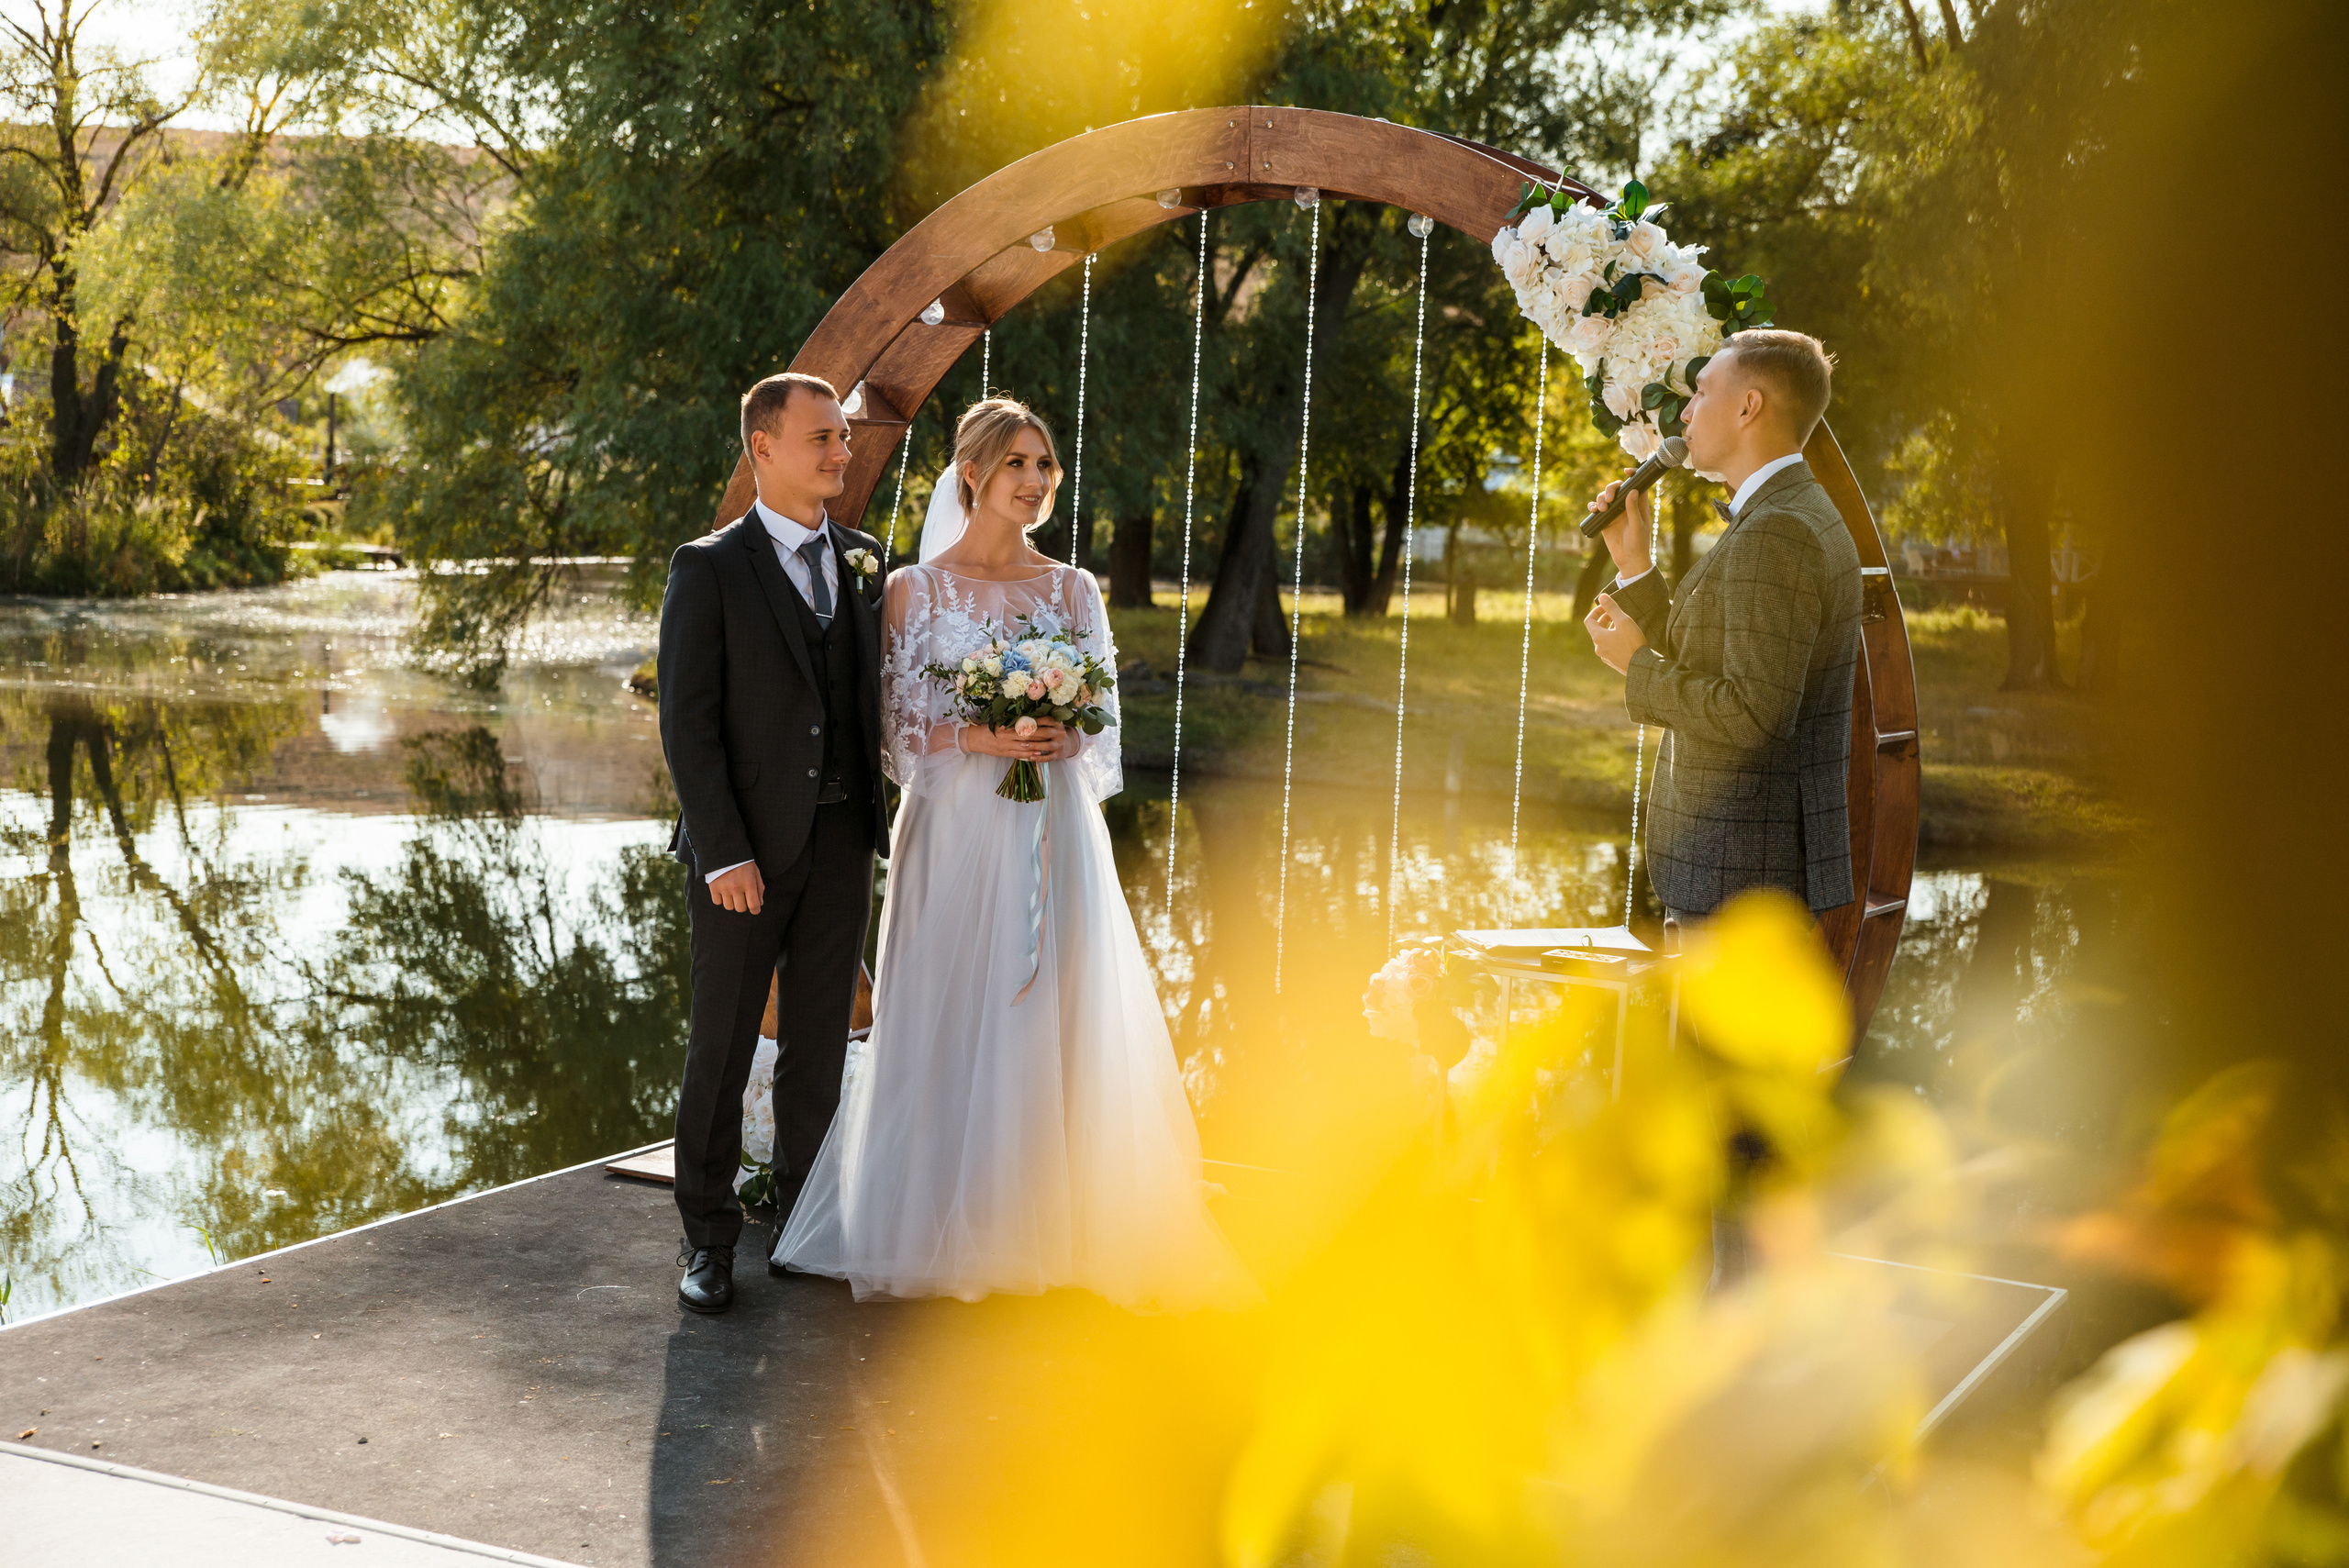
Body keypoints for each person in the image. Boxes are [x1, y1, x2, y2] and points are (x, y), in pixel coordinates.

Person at [774, 398, 1255, 1312]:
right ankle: (931, 1222)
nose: (1034, 482)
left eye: (1044, 465)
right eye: (1016, 465)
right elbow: (894, 731)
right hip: (953, 829)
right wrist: (983, 735)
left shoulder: (1071, 588)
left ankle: (1052, 1220)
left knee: (1050, 1006)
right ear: (973, 475)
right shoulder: (914, 589)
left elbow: (1103, 723)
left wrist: (1058, 734)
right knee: (951, 1002)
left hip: (1050, 830)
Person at [656, 373, 889, 1316]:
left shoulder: (867, 557)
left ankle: (803, 1224)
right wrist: (723, 853)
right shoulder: (707, 566)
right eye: (822, 439)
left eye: (843, 436)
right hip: (742, 855)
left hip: (842, 844)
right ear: (763, 447)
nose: (842, 452)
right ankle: (708, 1239)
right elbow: (688, 723)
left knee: (820, 1048)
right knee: (719, 1046)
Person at [1580, 329, 1863, 930]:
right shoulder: (1789, 511)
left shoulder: (1777, 530)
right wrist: (1637, 565)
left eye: (1701, 391)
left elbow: (1753, 716)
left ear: (1748, 407)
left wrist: (1638, 668)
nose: (1684, 412)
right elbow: (1716, 663)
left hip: (1743, 888)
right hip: (1745, 881)